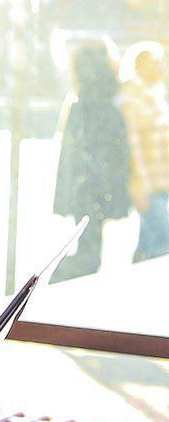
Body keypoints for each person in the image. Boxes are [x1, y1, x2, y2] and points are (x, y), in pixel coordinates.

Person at [52, 41, 131, 282]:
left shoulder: (85, 100)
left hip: (88, 190)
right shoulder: (98, 103)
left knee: (90, 252)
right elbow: (100, 153)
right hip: (91, 191)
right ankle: (47, 289)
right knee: (89, 256)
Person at [120, 41, 169, 263]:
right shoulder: (132, 98)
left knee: (149, 246)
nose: (162, 68)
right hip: (148, 186)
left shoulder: (156, 96)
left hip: (161, 184)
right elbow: (133, 147)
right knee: (162, 243)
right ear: (139, 67)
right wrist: (140, 189)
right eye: (155, 64)